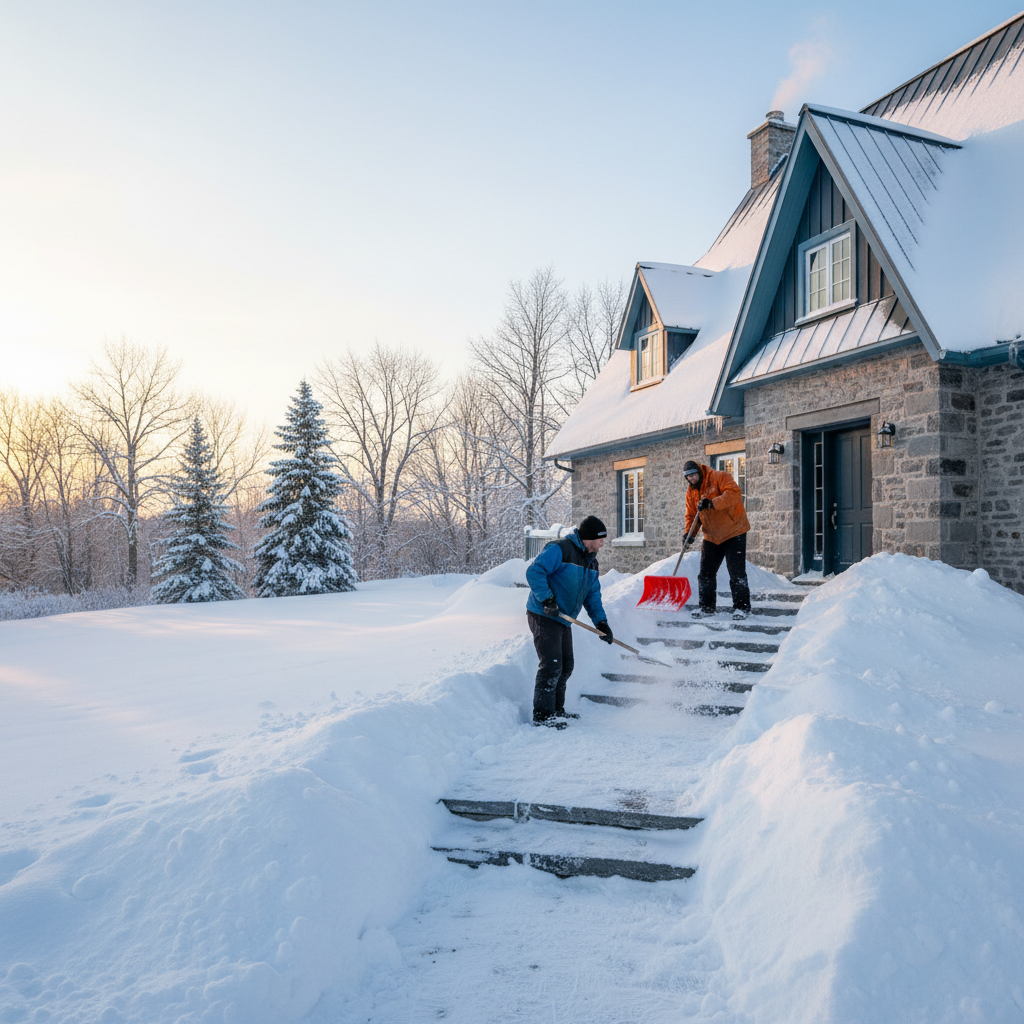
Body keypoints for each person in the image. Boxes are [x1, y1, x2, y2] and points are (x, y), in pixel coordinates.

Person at [524, 515, 612, 728]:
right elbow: (534, 572)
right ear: (589, 538)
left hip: (563, 619)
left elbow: (592, 595)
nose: (602, 544)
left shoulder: (591, 561)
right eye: (600, 539)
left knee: (566, 665)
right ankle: (543, 716)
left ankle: (556, 710)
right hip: (544, 613)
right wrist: (548, 599)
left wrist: (601, 623)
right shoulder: (560, 549)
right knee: (552, 665)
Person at [683, 460, 751, 620]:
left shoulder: (720, 477)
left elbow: (733, 495)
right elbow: (692, 516)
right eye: (688, 477)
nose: (691, 479)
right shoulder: (691, 492)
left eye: (693, 475)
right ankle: (706, 608)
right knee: (705, 573)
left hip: (734, 531)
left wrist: (711, 503)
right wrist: (689, 534)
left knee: (736, 572)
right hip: (712, 536)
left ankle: (742, 608)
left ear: (699, 472)